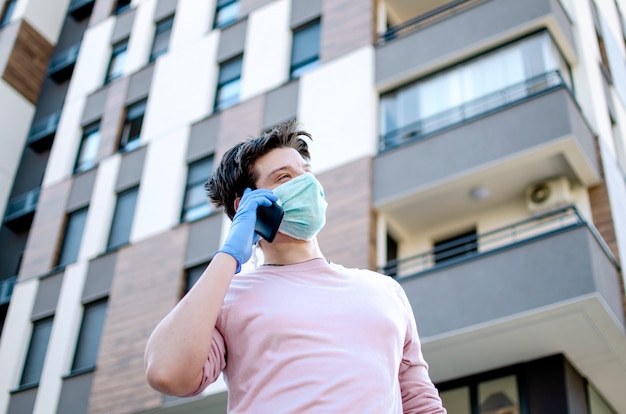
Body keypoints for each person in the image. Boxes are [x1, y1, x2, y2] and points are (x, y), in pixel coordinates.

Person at [144, 121, 446, 413]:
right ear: (247, 205)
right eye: (284, 178)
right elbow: (167, 373)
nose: (307, 184)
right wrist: (230, 254)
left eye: (307, 172)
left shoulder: (386, 290)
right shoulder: (225, 299)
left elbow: (420, 403)